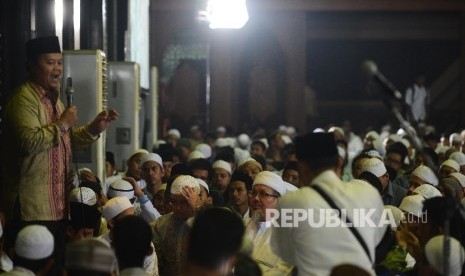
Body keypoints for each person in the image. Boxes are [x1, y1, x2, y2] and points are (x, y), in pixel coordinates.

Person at [0, 36, 118, 269]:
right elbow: (29, 142)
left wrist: (94, 128)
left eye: (59, 63)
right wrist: (63, 124)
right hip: (32, 209)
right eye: (50, 63)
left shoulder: (55, 101)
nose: (57, 69)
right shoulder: (22, 100)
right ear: (32, 66)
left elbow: (64, 141)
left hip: (58, 207)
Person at [271, 132, 387, 275]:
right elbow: (377, 239)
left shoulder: (291, 202)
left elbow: (287, 254)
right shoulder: (368, 193)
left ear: (301, 168)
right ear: (339, 162)